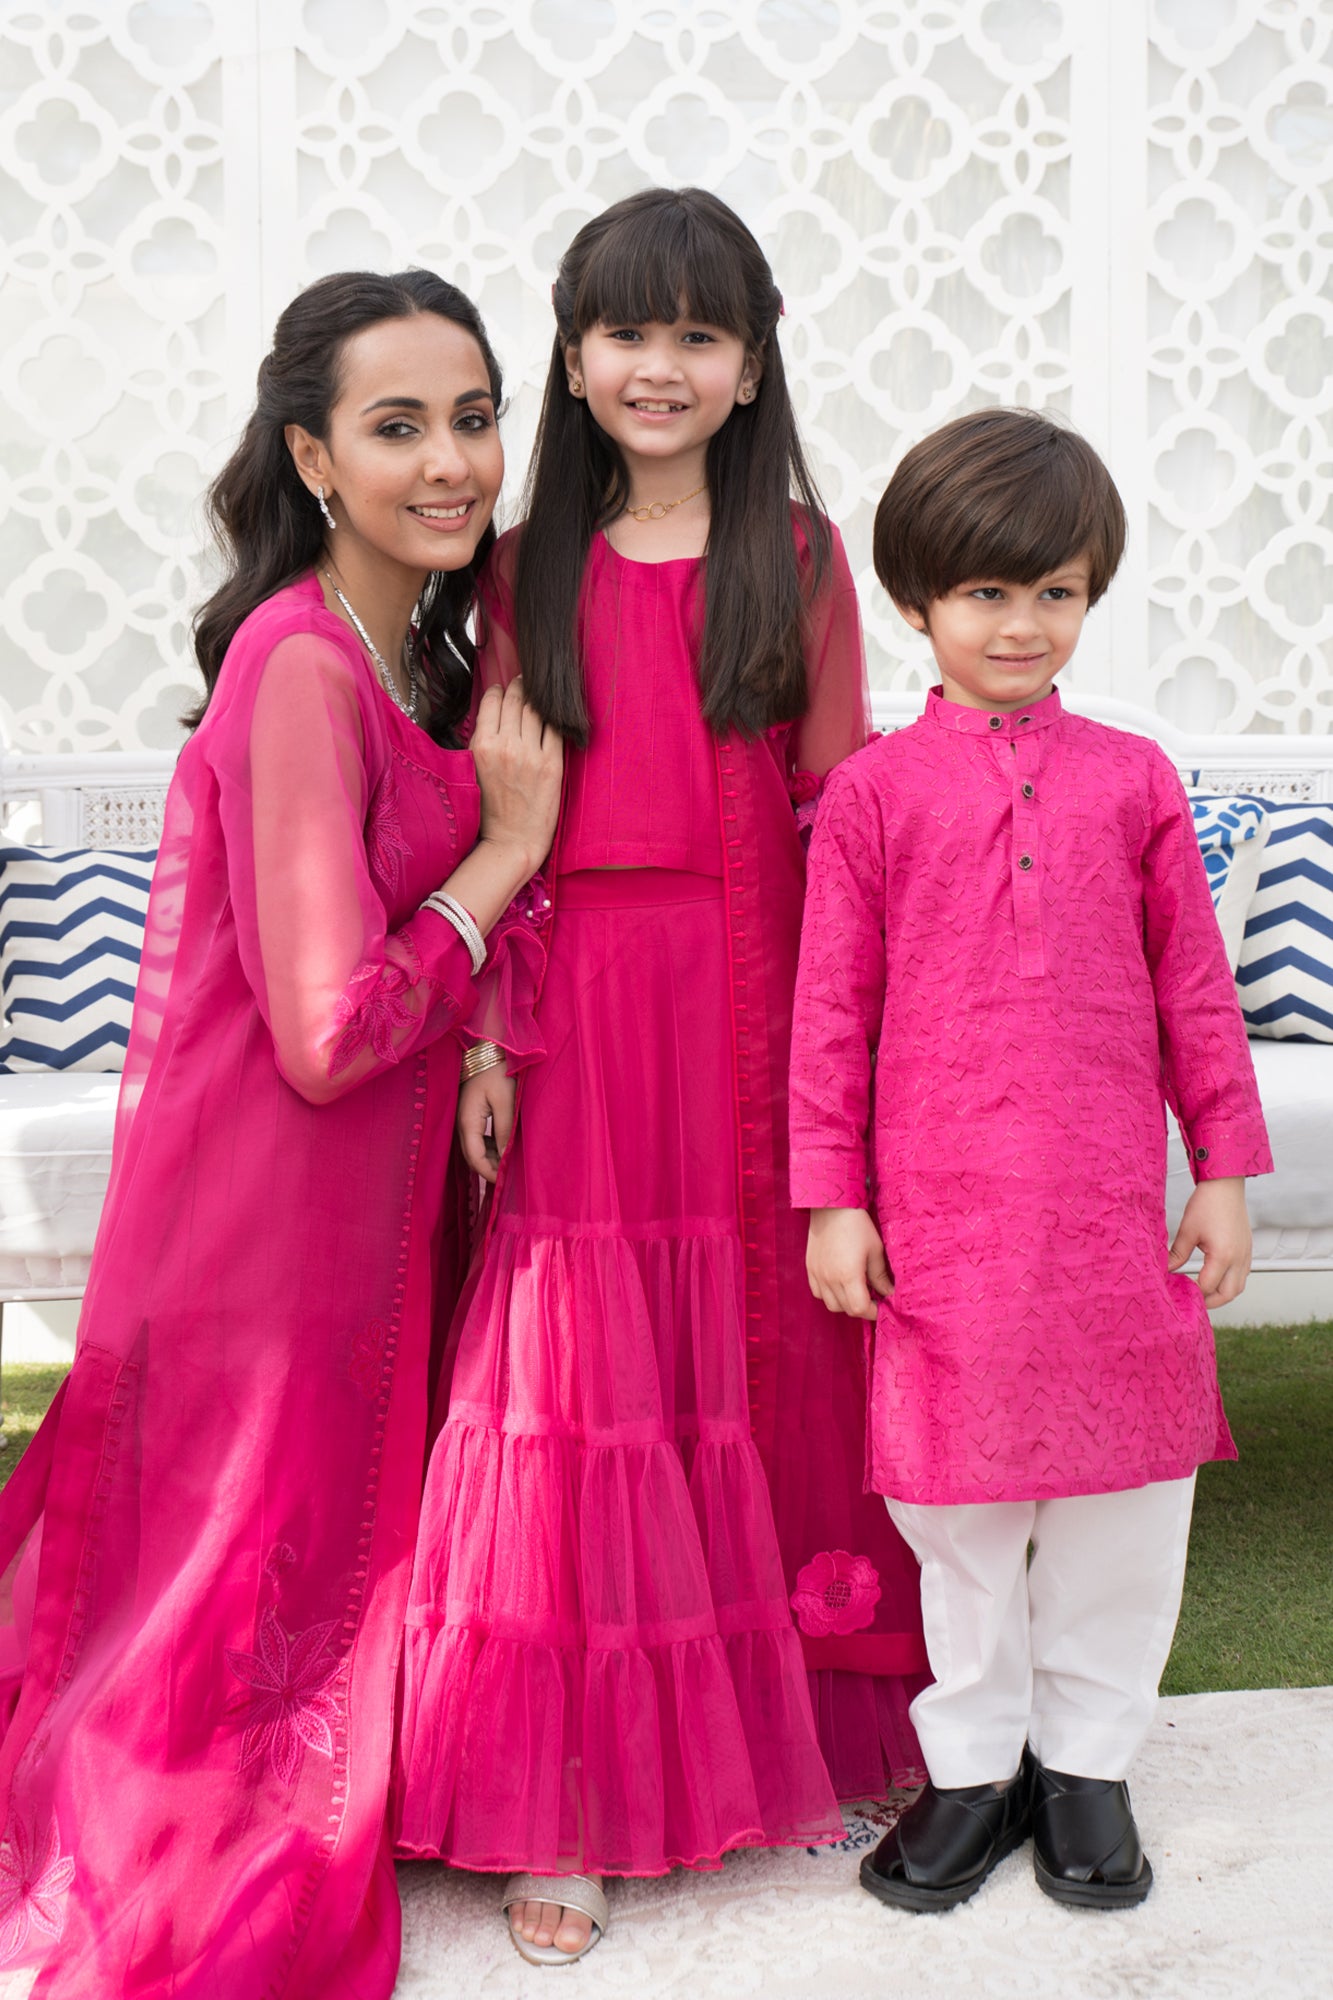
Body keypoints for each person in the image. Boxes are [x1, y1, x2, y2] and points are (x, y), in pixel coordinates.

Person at [0, 269, 561, 1996]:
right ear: (313, 458)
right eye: (397, 428)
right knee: (230, 1627)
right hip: (272, 1211)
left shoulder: (414, 649)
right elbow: (324, 1035)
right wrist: (504, 854)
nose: (451, 461)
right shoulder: (301, 663)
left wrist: (483, 1024)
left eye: (472, 418)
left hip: (361, 1204)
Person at [395, 186, 928, 1967]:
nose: (660, 365)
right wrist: (485, 1028)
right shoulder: (517, 565)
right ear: (570, 357)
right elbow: (495, 816)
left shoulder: (800, 553)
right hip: (576, 1008)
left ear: (751, 363)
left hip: (756, 998)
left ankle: (800, 1727)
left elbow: (840, 813)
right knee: (579, 1372)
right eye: (627, 330)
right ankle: (568, 1789)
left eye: (699, 334)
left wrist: (859, 1067)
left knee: (766, 1337)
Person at [790, 407, 1272, 1915]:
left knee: (1125, 1499)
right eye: (985, 593)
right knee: (958, 1512)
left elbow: (1195, 989)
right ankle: (973, 1768)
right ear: (915, 601)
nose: (1020, 625)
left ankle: (1086, 1768)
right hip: (944, 1228)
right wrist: (833, 1199)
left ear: (1090, 595)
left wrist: (1220, 1169)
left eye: (1054, 592)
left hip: (1108, 1220)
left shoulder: (1134, 779)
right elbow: (830, 1013)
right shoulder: (871, 795)